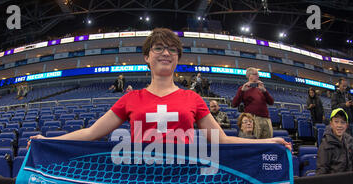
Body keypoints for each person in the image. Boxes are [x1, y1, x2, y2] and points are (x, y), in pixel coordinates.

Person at [28, 28, 291, 151]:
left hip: (183, 183)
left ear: (178, 58)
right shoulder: (131, 98)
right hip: (140, 181)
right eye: (158, 48)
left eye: (172, 49)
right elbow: (92, 133)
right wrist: (49, 141)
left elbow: (220, 140)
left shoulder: (193, 98)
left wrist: (269, 141)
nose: (166, 53)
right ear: (146, 56)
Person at [232, 67, 274, 139]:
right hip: (253, 119)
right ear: (249, 76)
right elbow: (234, 104)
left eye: (258, 74)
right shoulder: (243, 88)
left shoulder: (261, 88)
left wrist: (264, 91)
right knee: (255, 141)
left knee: (268, 142)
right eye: (255, 74)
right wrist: (242, 91)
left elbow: (271, 102)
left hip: (266, 119)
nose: (258, 76)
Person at [316, 108, 353, 175]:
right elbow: (321, 172)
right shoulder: (325, 145)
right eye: (336, 121)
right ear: (331, 124)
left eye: (343, 122)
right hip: (333, 183)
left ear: (346, 125)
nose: (339, 125)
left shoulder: (350, 141)